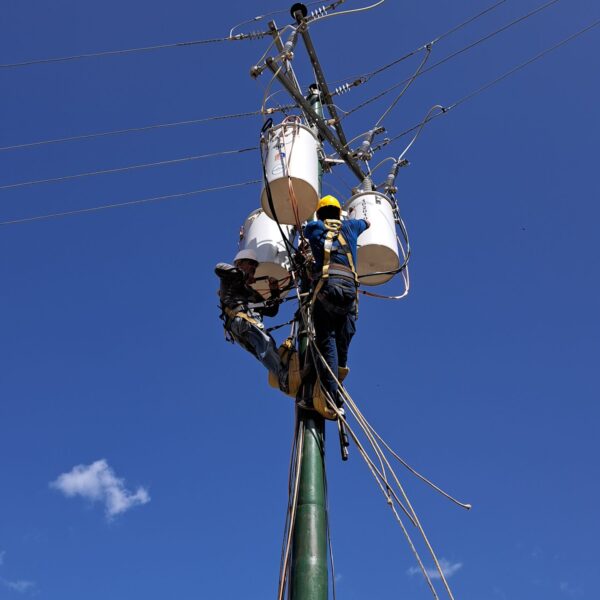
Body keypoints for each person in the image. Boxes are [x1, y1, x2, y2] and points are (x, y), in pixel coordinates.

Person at [303, 195, 370, 409]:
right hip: (349, 294)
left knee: (327, 341)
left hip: (327, 291)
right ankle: (336, 384)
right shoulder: (351, 227)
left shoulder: (314, 228)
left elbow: (306, 230)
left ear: (320, 213)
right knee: (341, 344)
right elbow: (367, 223)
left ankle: (331, 396)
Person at [215, 249, 288, 392]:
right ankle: (284, 376)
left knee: (268, 349)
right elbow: (218, 267)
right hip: (240, 321)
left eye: (255, 267)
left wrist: (274, 291)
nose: (253, 269)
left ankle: (284, 379)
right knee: (266, 345)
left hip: (245, 327)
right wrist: (242, 274)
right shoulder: (230, 278)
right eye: (251, 265)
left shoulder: (252, 293)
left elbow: (271, 311)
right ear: (239, 263)